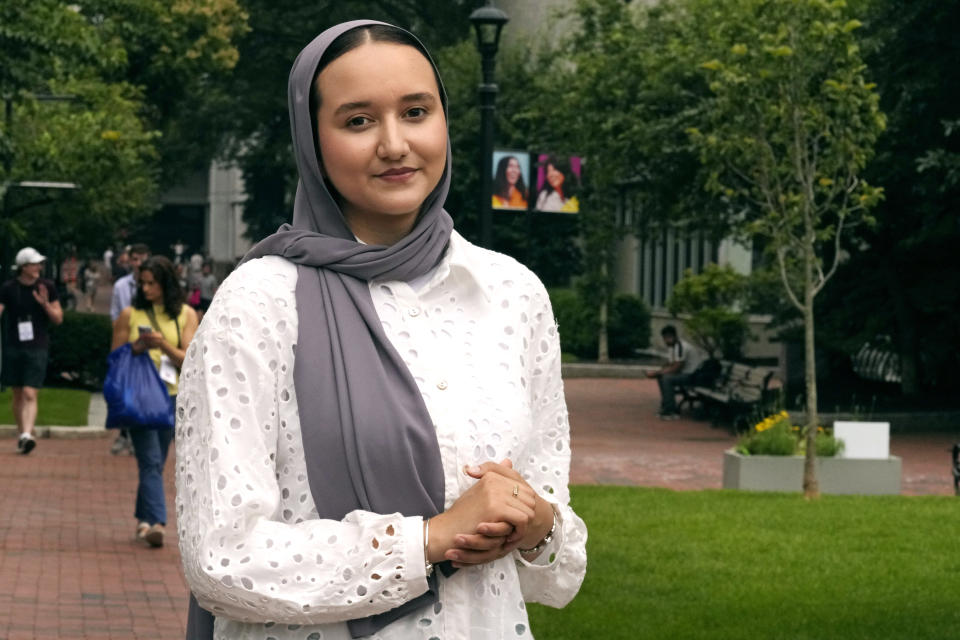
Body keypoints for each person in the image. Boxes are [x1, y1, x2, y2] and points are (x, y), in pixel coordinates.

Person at [176, 20, 587, 640]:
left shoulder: (511, 293)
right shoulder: (260, 303)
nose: (394, 144)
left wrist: (535, 524)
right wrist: (428, 539)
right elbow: (220, 560)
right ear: (312, 140)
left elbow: (553, 569)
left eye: (416, 111)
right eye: (358, 120)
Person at [111, 255, 198, 547]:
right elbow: (116, 357)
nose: (146, 289)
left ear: (166, 284)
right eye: (142, 283)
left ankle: (143, 519)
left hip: (172, 397)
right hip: (139, 398)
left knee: (156, 462)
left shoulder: (186, 314)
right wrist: (137, 347)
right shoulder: (129, 315)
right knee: (149, 460)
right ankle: (158, 522)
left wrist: (162, 345)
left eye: (152, 283)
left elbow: (190, 358)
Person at [0, 247, 64, 454]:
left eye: (39, 264)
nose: (38, 267)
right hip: (14, 345)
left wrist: (45, 304)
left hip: (37, 345)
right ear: (23, 267)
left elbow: (58, 318)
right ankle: (23, 434)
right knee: (17, 393)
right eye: (34, 264)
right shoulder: (9, 288)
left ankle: (27, 433)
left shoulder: (47, 287)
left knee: (29, 392)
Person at [109, 243, 151, 455]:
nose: (138, 263)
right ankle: (125, 434)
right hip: (127, 344)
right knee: (126, 391)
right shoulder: (121, 286)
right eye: (135, 259)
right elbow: (115, 315)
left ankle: (139, 434)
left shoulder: (155, 285)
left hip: (150, 345)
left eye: (142, 259)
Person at [645, 324, 706, 420]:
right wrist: (658, 372)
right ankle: (666, 405)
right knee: (662, 377)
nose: (665, 340)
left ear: (673, 336)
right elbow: (670, 364)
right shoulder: (673, 347)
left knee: (666, 379)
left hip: (692, 375)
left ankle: (671, 411)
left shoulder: (681, 346)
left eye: (667, 338)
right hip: (684, 374)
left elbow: (677, 367)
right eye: (664, 338)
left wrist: (657, 373)